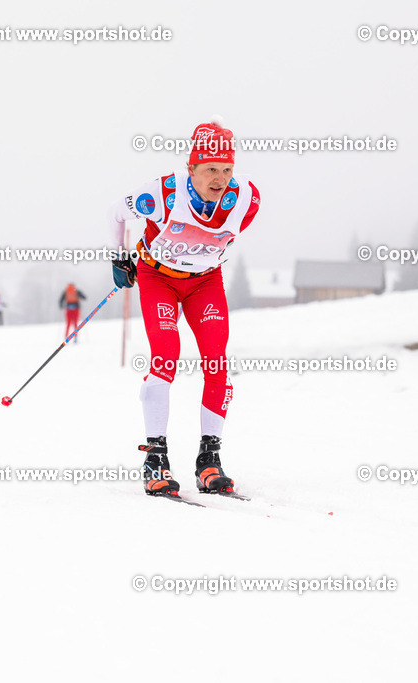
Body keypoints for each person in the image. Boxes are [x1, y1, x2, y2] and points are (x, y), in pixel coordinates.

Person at [107, 118, 260, 497]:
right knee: (165, 357)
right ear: (191, 167)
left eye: (226, 170)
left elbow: (217, 238)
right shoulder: (161, 193)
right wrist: (118, 258)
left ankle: (209, 459)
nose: (220, 179)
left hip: (205, 283)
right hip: (158, 279)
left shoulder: (246, 199)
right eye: (210, 169)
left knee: (216, 362)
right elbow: (115, 212)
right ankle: (155, 458)